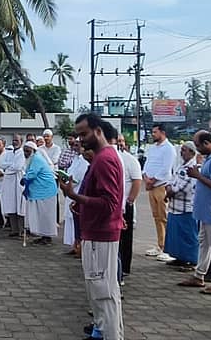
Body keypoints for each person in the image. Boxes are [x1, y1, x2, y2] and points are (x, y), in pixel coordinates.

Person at [60, 113, 124, 340]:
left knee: (103, 291)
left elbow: (109, 203)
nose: (80, 139)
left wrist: (75, 197)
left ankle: (110, 335)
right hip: (95, 232)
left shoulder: (105, 158)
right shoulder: (99, 157)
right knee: (97, 290)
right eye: (78, 135)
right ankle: (101, 331)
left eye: (84, 134)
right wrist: (80, 203)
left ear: (98, 131)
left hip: (102, 234)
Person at [179, 130, 211, 293]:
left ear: (207, 143)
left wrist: (197, 176)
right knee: (204, 243)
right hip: (204, 211)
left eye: (199, 145)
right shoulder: (210, 158)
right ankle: (199, 275)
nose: (197, 149)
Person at [162, 141, 198, 268]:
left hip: (185, 208)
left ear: (192, 152)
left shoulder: (193, 167)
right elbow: (171, 180)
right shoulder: (180, 165)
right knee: (175, 234)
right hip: (174, 206)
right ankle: (180, 257)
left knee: (187, 235)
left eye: (184, 150)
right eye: (181, 150)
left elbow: (183, 188)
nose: (182, 152)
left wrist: (171, 190)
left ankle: (192, 260)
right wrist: (169, 189)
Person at [143, 124, 175, 259]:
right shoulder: (152, 148)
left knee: (164, 217)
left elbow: (166, 168)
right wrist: (145, 177)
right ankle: (160, 245)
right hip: (151, 186)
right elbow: (147, 164)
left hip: (161, 185)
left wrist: (153, 180)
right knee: (156, 217)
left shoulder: (169, 149)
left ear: (162, 132)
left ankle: (168, 248)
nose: (153, 134)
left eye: (155, 132)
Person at [116, 135, 143, 279]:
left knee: (125, 238)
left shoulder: (130, 160)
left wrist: (130, 200)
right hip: (115, 205)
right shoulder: (113, 157)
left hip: (126, 204)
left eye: (121, 141)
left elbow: (137, 181)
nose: (119, 143)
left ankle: (125, 267)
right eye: (117, 141)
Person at [22, 141, 58, 245]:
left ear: (33, 151)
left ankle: (47, 237)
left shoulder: (36, 159)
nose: (26, 153)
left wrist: (24, 179)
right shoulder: (32, 159)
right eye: (24, 151)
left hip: (46, 191)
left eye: (28, 151)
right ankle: (43, 235)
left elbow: (32, 174)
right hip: (40, 191)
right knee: (40, 215)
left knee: (46, 215)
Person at [64, 144, 90, 256]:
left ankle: (79, 247)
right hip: (70, 191)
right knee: (70, 220)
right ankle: (74, 246)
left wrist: (68, 184)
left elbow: (77, 178)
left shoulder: (84, 161)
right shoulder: (75, 158)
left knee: (77, 222)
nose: (76, 147)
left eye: (78, 145)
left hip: (77, 192)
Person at [2, 136, 27, 238]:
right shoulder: (8, 152)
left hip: (18, 181)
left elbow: (18, 167)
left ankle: (21, 230)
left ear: (21, 142)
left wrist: (8, 168)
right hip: (9, 182)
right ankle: (14, 230)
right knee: (10, 205)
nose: (14, 142)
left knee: (19, 206)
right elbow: (2, 164)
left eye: (17, 140)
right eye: (13, 140)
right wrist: (9, 167)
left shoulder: (22, 153)